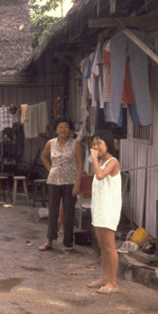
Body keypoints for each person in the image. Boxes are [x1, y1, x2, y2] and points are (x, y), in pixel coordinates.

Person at [39, 117, 83, 253]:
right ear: (56, 130)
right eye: (60, 127)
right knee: (53, 211)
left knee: (69, 213)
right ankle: (49, 240)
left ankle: (68, 243)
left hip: (70, 182)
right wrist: (50, 169)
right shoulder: (50, 143)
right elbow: (43, 157)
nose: (63, 130)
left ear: (70, 130)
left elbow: (80, 164)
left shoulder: (75, 144)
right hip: (54, 182)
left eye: (66, 127)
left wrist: (77, 184)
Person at [87, 130, 122, 294]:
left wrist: (93, 158)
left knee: (109, 246)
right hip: (99, 208)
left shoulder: (112, 162)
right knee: (101, 245)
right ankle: (105, 278)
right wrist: (95, 160)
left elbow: (100, 176)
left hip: (109, 209)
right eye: (93, 144)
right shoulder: (99, 162)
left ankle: (113, 283)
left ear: (108, 144)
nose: (95, 147)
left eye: (99, 143)